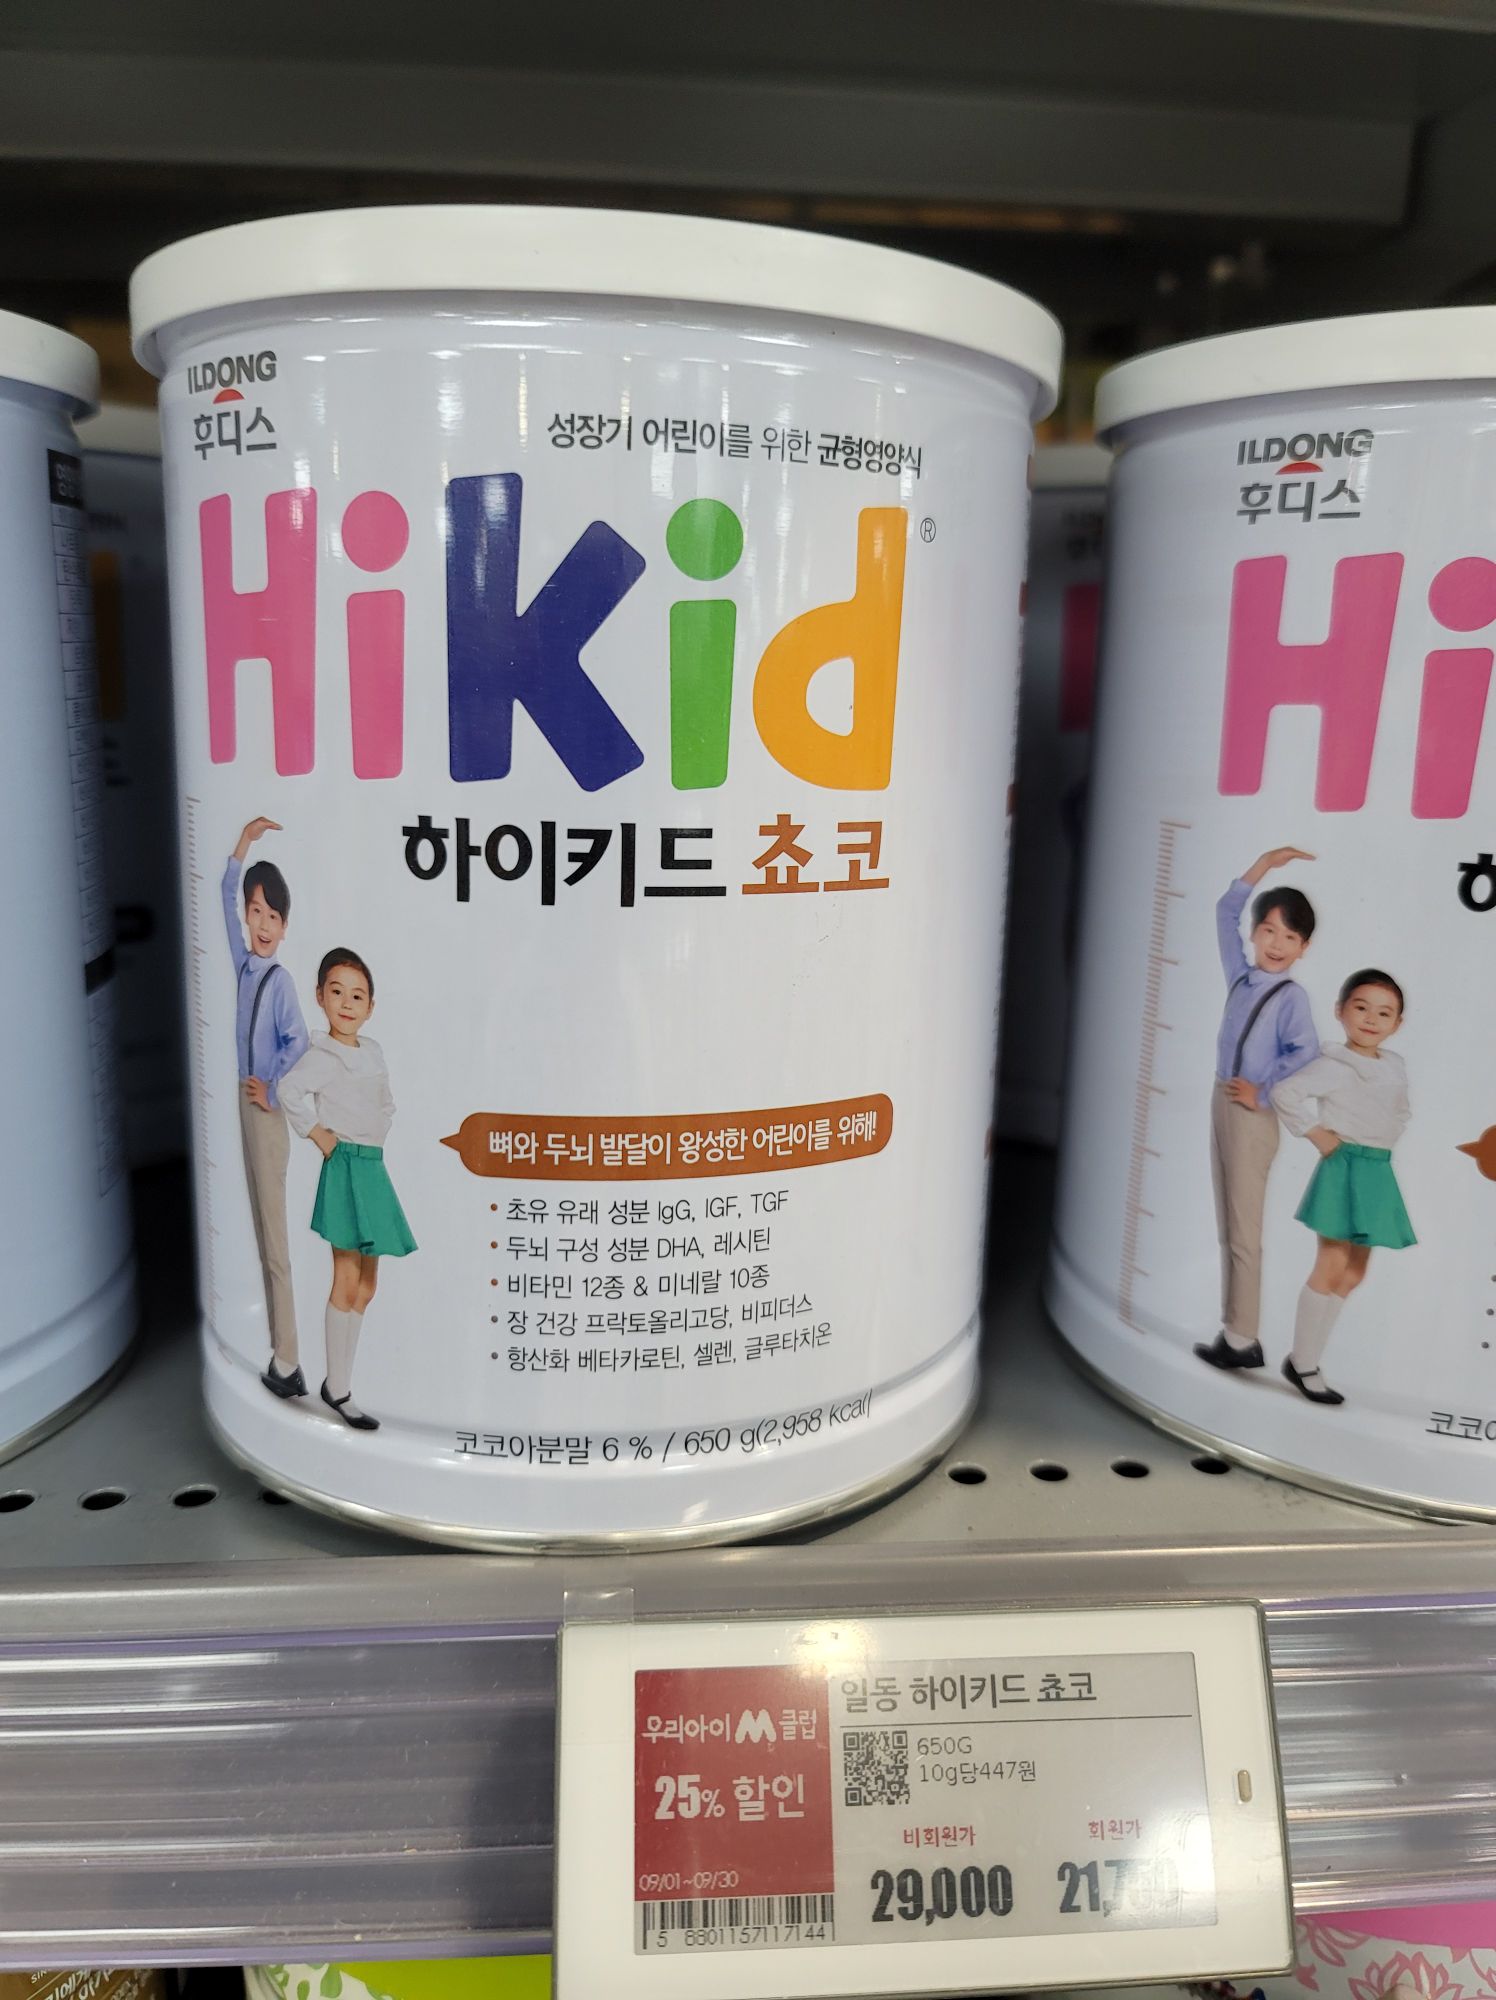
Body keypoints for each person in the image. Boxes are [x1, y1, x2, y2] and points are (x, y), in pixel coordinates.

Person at [279, 949, 416, 1432]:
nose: (346, 1003)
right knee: (346, 1276)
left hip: (372, 1167)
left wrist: (378, 1131)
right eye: (336, 992)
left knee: (368, 1285)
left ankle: (338, 1382)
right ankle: (339, 1388)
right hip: (345, 1166)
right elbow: (289, 1091)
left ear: (370, 1006)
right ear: (320, 997)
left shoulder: (372, 1051)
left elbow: (386, 1102)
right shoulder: (323, 1056)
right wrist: (319, 1134)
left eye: (357, 996)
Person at [1195, 847, 1320, 1377]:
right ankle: (1234, 1331)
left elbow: (1305, 1052)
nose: (1276, 944)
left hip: (1251, 1117)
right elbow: (1224, 910)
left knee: (1244, 1229)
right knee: (1228, 1223)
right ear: (1254, 933)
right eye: (1268, 930)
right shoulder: (1241, 977)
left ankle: (1242, 1337)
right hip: (1221, 1099)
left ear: (1303, 947)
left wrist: (1262, 1093)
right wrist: (1263, 866)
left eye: (1289, 937)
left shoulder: (1291, 998)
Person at [1271, 970, 1414, 1406]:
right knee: (1331, 1264)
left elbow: (1400, 1111)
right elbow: (1284, 1093)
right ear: (1340, 1011)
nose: (1371, 1019)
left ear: (1397, 1023)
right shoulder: (1333, 1064)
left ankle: (1306, 1358)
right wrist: (1318, 1134)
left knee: (1353, 1274)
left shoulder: (1393, 1066)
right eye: (1361, 1007)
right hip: (1344, 1166)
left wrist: (1386, 1138)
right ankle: (1304, 1363)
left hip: (1376, 1171)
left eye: (1384, 1013)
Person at [223, 817, 309, 1401]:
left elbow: (296, 1040)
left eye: (271, 915)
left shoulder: (279, 981)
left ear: (283, 926)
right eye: (255, 911)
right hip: (242, 1098)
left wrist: (271, 1090)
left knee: (275, 1238)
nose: (260, 924)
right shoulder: (244, 965)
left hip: (264, 1110)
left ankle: (289, 1358)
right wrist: (244, 844)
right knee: (259, 1226)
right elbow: (222, 896)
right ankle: (280, 1354)